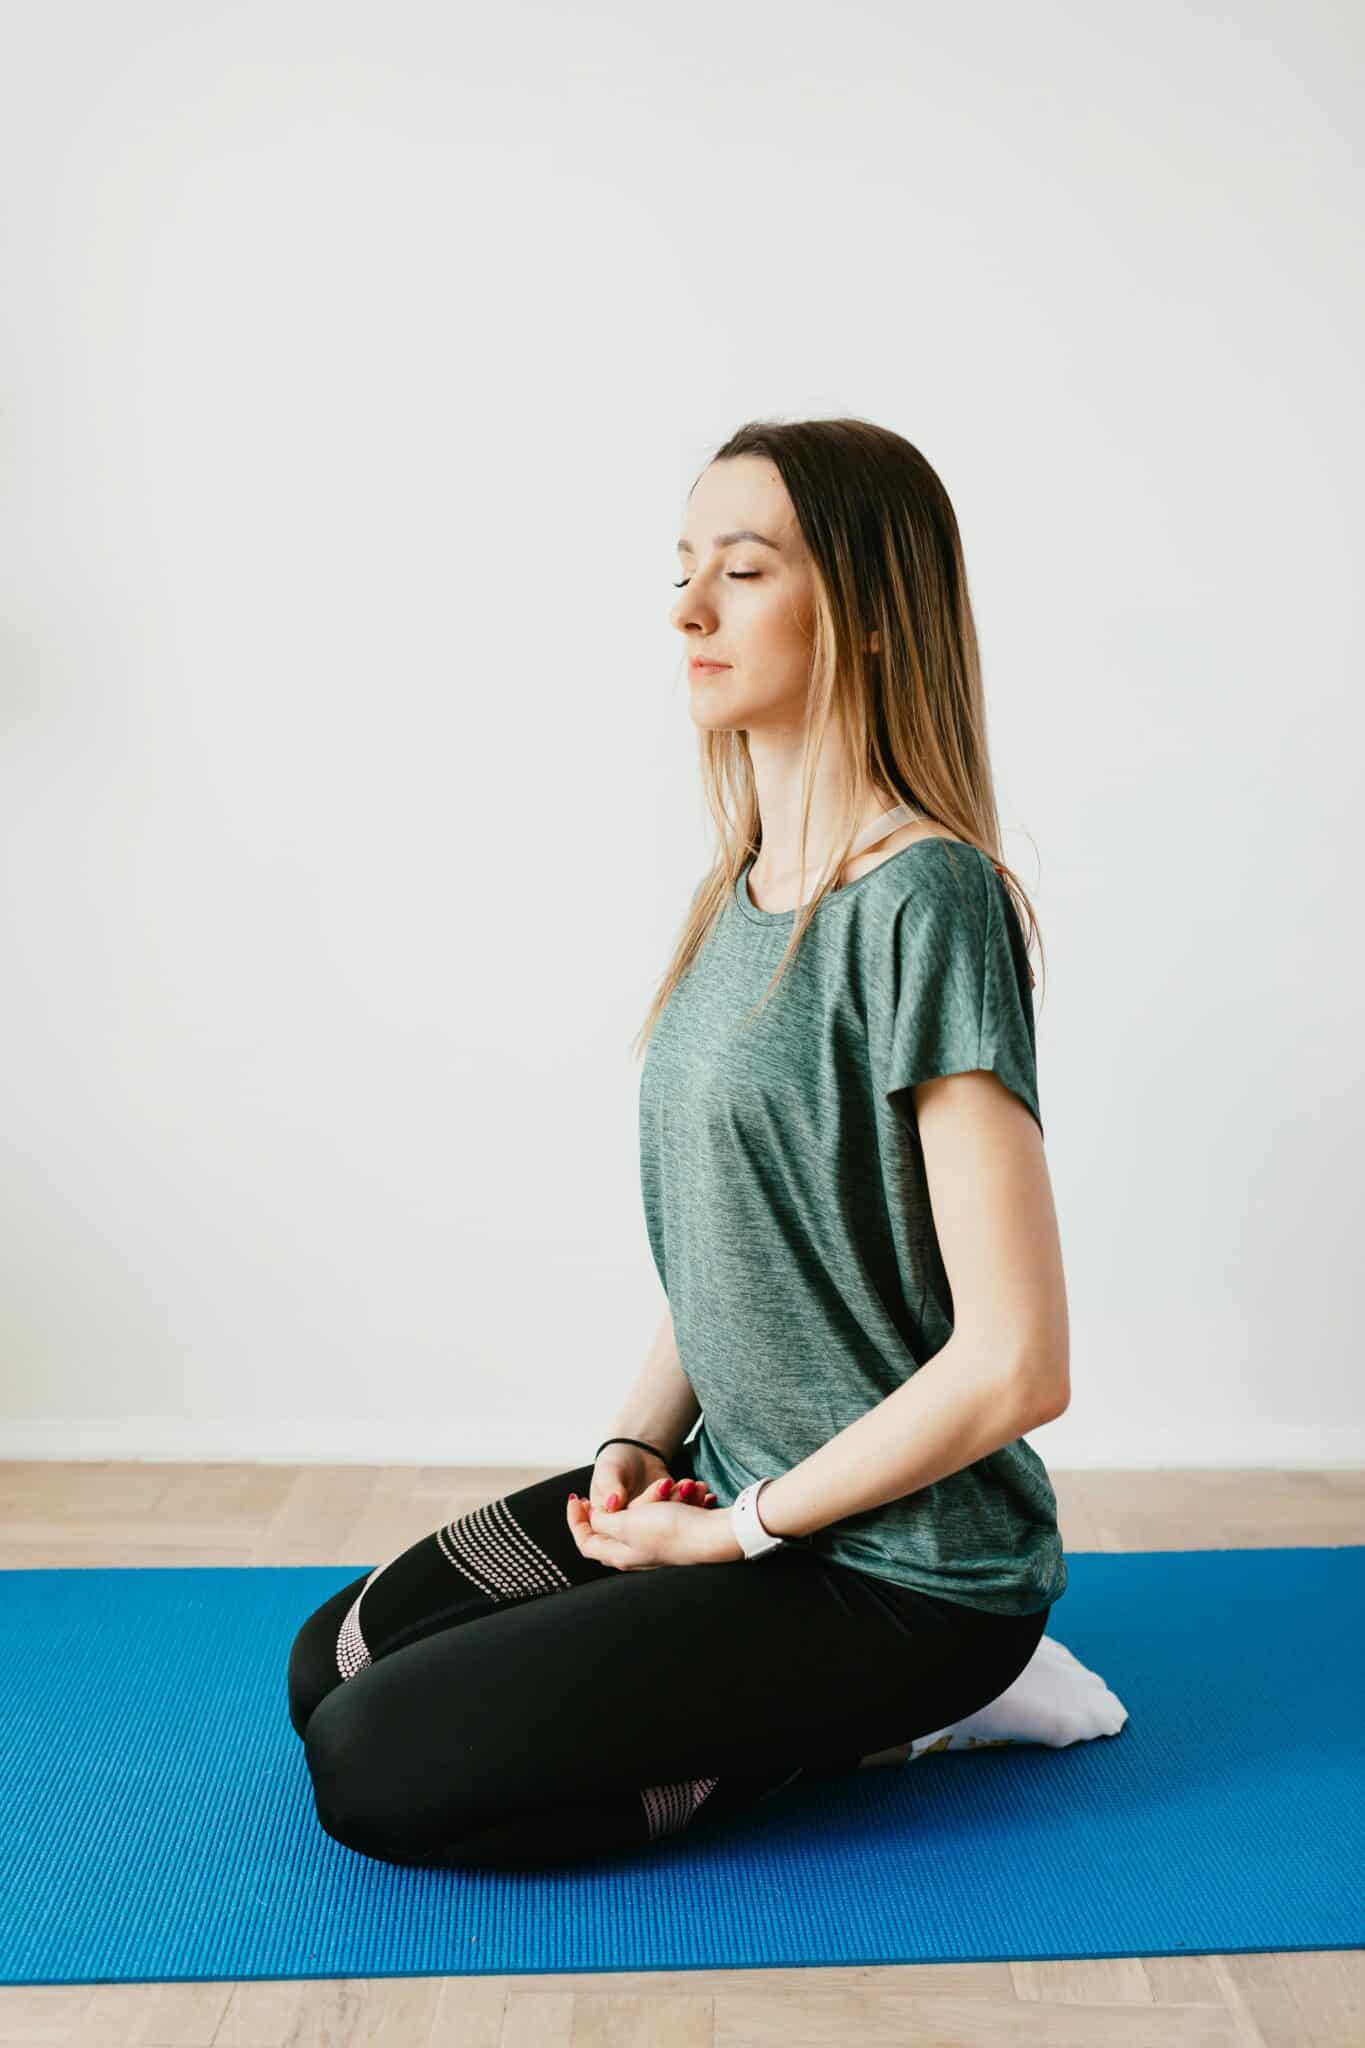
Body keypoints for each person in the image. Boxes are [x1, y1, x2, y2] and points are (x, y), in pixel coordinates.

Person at [287, 417, 1071, 1871]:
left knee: (377, 1768)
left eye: (744, 570)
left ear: (875, 615)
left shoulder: (927, 902)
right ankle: (764, 1679)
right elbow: (739, 1239)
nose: (687, 611)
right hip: (739, 1487)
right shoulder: (736, 895)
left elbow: (1016, 1363)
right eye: (682, 570)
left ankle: (921, 1711)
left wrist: (739, 1535)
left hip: (905, 1575)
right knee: (330, 1664)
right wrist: (633, 1444)